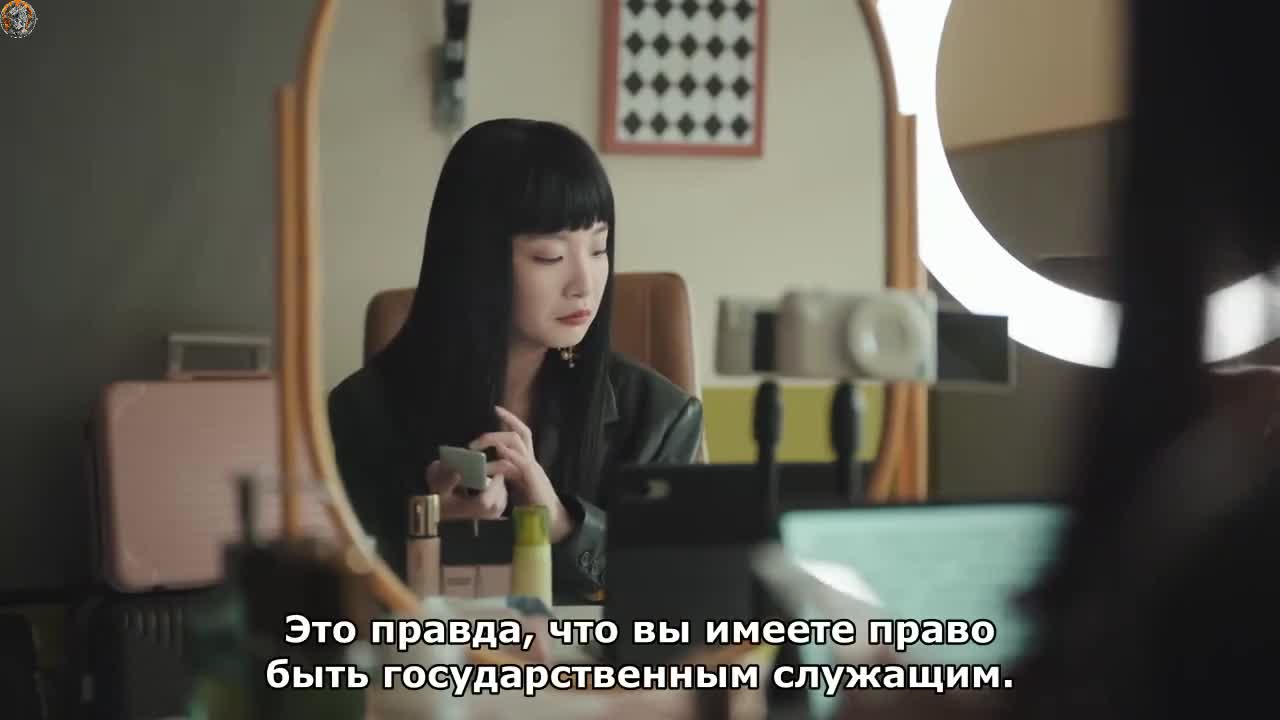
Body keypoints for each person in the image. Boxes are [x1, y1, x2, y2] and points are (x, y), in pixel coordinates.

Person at [327, 119, 703, 604]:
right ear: (474, 261)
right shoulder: (361, 411)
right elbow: (336, 602)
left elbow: (674, 593)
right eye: (549, 256)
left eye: (598, 248)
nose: (585, 284)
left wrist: (560, 521)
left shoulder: (661, 416)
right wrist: (430, 533)